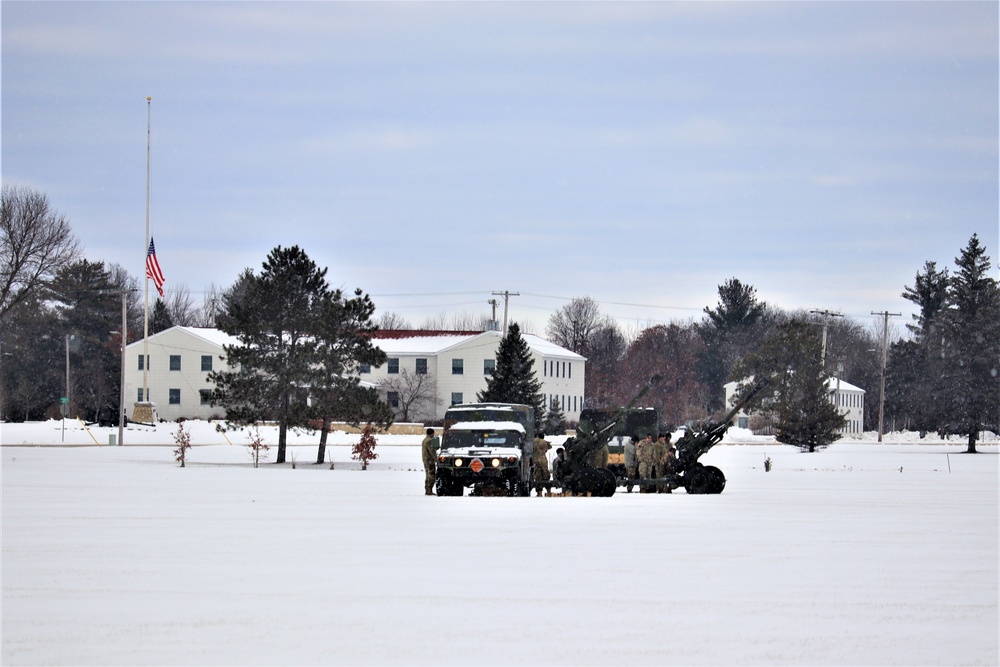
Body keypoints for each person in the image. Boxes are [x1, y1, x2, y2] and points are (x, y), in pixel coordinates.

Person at [421, 428, 440, 495]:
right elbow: (432, 451)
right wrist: (436, 459)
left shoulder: (424, 440)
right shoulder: (429, 441)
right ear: (432, 433)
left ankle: (427, 490)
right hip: (429, 460)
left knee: (427, 475)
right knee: (431, 475)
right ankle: (429, 490)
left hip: (425, 459)